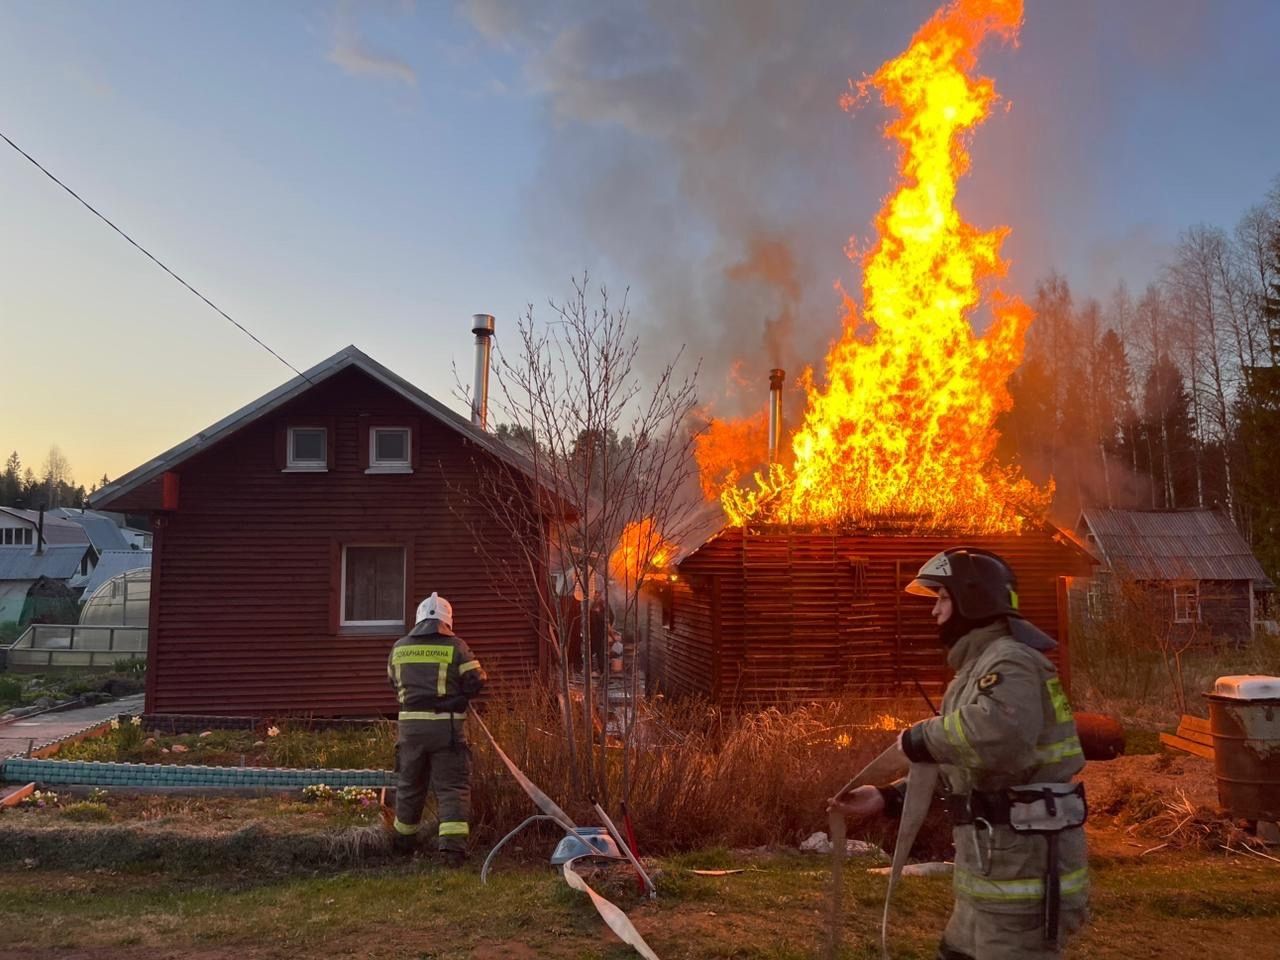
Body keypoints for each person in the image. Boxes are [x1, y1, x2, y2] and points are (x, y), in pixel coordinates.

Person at [829, 548, 1088, 960]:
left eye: (942, 599)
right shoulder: (980, 668)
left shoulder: (1013, 662)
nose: (934, 612)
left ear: (974, 600)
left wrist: (919, 737)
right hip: (992, 874)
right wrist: (891, 796)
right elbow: (967, 763)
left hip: (1023, 878)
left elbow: (1000, 734)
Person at [386, 591, 486, 866]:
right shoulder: (456, 646)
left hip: (410, 730)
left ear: (418, 619)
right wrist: (459, 696)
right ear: (447, 621)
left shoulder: (399, 647)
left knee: (409, 785)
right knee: (452, 788)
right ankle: (452, 852)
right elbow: (477, 679)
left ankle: (403, 844)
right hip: (446, 729)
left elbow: (394, 682)